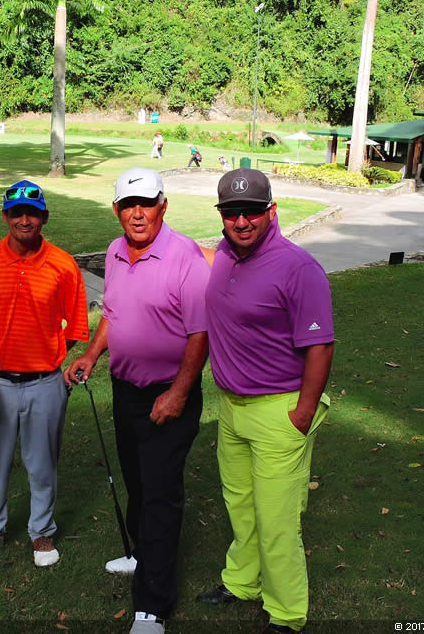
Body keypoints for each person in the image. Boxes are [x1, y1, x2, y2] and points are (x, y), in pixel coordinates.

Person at [65, 168, 209, 634]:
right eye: (129, 205)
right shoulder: (114, 251)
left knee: (161, 494)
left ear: (163, 205)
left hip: (169, 393)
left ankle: (152, 605)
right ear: (116, 210)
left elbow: (200, 333)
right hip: (126, 391)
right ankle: (140, 553)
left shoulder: (185, 255)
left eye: (146, 203)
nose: (138, 213)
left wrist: (179, 393)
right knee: (137, 483)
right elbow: (113, 312)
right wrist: (91, 354)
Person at [197, 168, 334, 634]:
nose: (241, 221)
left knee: (277, 519)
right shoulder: (223, 253)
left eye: (252, 212)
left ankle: (287, 612)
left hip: (281, 408)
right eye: (232, 212)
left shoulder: (299, 268)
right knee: (240, 505)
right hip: (231, 408)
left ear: (271, 211)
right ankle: (242, 581)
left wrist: (303, 413)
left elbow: (320, 346)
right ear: (221, 215)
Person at [0, 180, 89, 568]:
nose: (25, 220)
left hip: (45, 382)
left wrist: (48, 353)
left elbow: (75, 326)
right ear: (5, 217)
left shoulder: (63, 264)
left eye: (32, 213)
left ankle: (41, 532)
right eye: (17, 213)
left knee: (42, 462)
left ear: (44, 218)